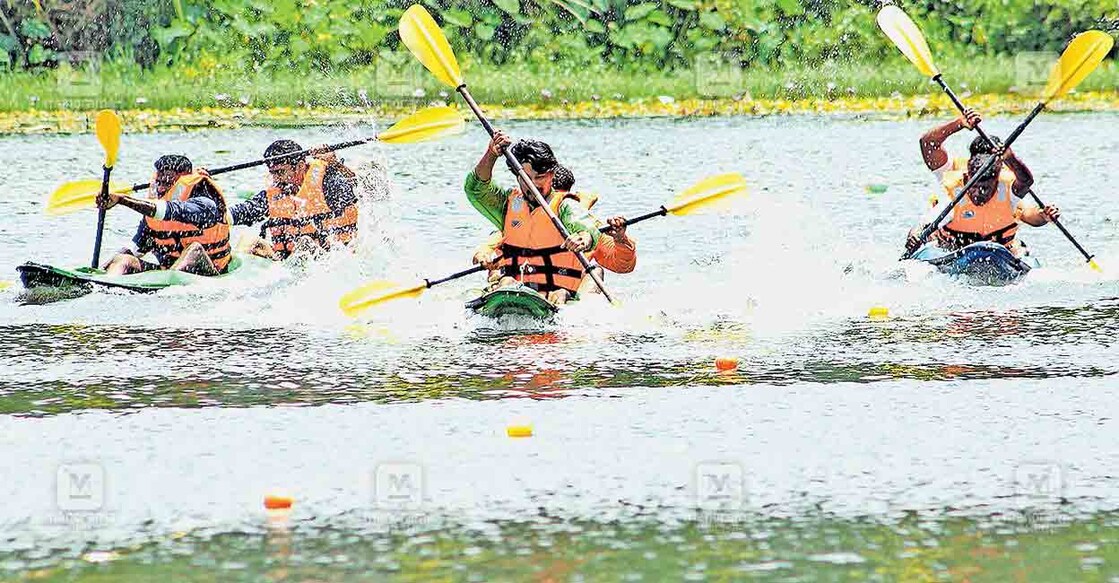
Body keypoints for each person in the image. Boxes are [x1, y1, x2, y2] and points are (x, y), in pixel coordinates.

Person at [465, 131, 601, 305]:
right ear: (517, 177)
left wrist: (584, 238)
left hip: (556, 293)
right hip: (513, 287)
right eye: (527, 179)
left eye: (540, 177)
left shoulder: (565, 205)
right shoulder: (507, 204)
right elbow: (476, 188)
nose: (534, 185)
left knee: (562, 293)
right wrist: (491, 154)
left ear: (552, 175)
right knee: (506, 282)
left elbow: (586, 228)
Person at [906, 107, 1059, 256]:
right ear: (969, 168)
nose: (980, 190)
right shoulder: (954, 183)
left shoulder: (1006, 184)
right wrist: (959, 123)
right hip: (953, 247)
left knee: (1016, 247)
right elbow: (928, 143)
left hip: (998, 249)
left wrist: (1043, 215)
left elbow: (1028, 211)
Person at [472, 164, 638, 283]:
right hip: (517, 281)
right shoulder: (521, 220)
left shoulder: (587, 225)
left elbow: (622, 266)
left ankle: (585, 320)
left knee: (595, 272)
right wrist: (484, 256)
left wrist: (621, 239)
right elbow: (487, 247)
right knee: (501, 274)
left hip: (561, 290)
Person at [98, 154, 232, 276]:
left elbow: (171, 210)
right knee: (124, 259)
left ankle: (171, 281)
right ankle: (102, 286)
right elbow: (134, 250)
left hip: (210, 272)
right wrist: (101, 270)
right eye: (159, 183)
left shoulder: (205, 204)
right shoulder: (153, 219)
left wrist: (122, 200)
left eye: (168, 183)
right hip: (167, 273)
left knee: (195, 250)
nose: (161, 189)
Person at [229, 140, 359, 260]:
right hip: (287, 260)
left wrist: (335, 165)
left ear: (300, 166)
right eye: (273, 173)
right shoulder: (276, 192)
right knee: (248, 240)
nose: (276, 179)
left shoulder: (329, 184)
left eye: (280, 172)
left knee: (305, 243)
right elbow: (245, 211)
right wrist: (216, 213)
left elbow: (362, 189)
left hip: (332, 257)